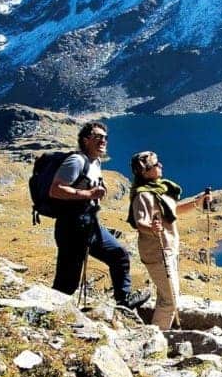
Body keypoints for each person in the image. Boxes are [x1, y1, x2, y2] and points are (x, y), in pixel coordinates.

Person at [50, 121, 149, 309]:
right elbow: (55, 190)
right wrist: (88, 195)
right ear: (86, 140)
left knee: (118, 254)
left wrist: (97, 192)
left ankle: (123, 300)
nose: (103, 140)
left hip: (90, 223)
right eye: (98, 137)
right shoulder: (76, 161)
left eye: (105, 137)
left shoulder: (95, 161)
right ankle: (49, 314)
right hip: (72, 226)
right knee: (68, 281)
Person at [129, 151, 197, 329]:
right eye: (155, 165)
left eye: (158, 163)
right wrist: (151, 228)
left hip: (169, 249)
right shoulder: (143, 195)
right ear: (144, 172)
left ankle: (159, 330)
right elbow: (140, 222)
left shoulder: (160, 189)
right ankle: (157, 336)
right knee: (170, 298)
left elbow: (175, 210)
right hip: (157, 252)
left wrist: (199, 202)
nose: (160, 166)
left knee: (166, 293)